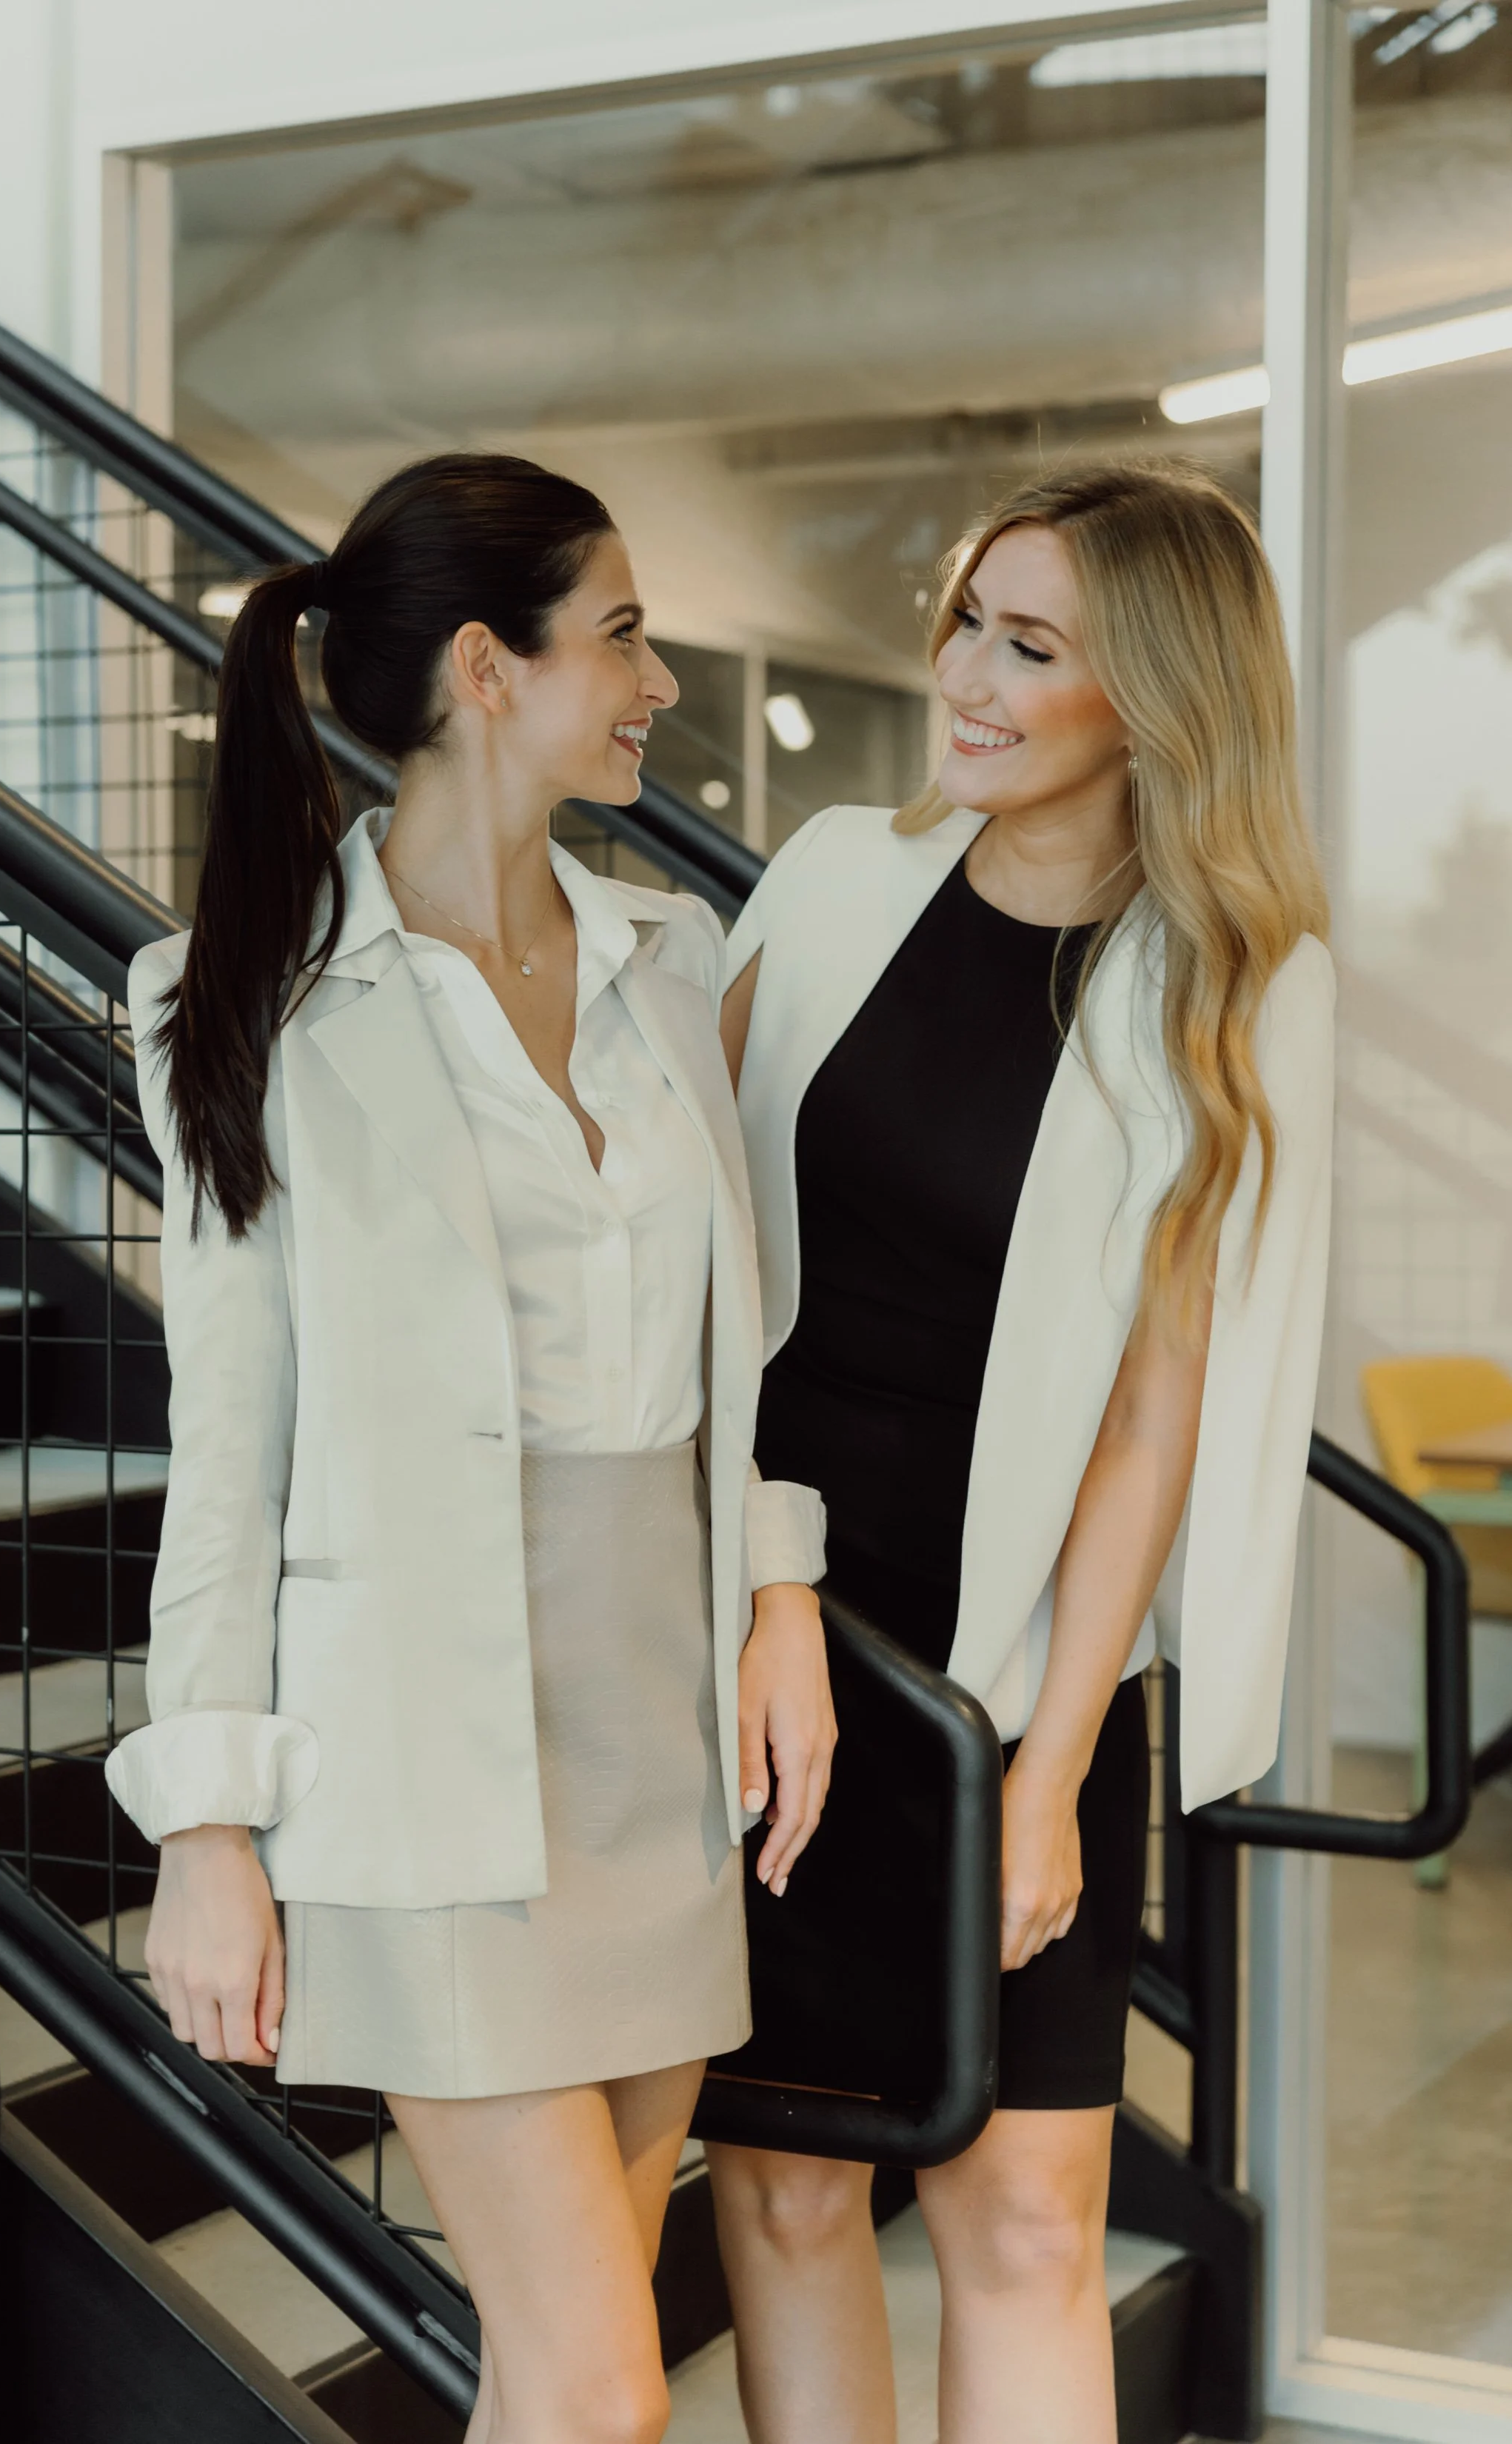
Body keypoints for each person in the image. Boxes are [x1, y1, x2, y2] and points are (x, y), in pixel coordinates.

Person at [104, 453, 835, 2444]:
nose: (658, 681)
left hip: (660, 1761)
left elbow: (736, 1357)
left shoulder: (668, 964)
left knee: (550, 2379)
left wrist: (781, 1594)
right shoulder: (232, 1007)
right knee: (607, 2387)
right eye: (619, 632)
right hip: (427, 1768)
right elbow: (227, 1443)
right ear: (483, 669)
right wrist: (209, 1822)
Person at [706, 464, 1334, 2444]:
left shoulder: (1231, 980)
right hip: (776, 1616)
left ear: (1154, 698)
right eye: (972, 618)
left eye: (1032, 644)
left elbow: (1161, 1402)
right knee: (791, 2175)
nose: (967, 676)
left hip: (1026, 1651)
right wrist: (742, 1575)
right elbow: (691, 1251)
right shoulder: (824, 878)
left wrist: (1052, 1761)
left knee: (1036, 2210)